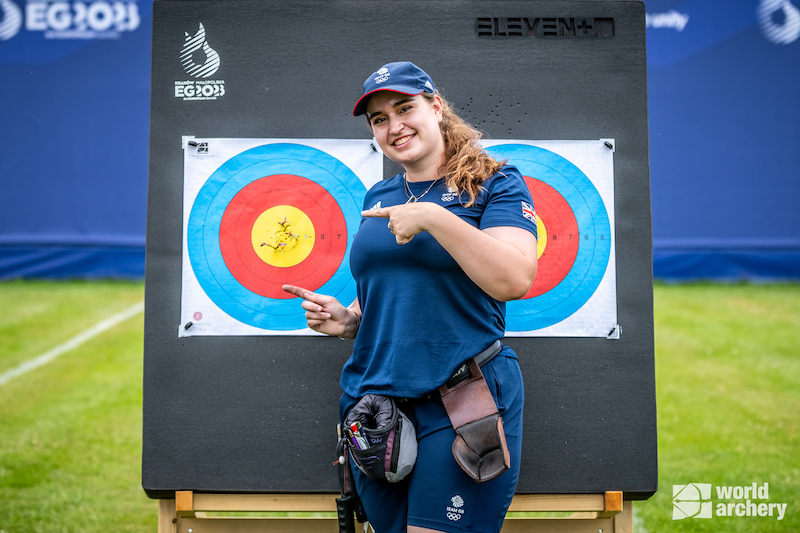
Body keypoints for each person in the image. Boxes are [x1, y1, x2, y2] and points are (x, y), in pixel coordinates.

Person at [283, 61, 538, 533]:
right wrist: (350, 318)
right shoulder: (379, 194)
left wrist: (435, 218)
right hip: (378, 406)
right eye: (379, 119)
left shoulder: (495, 183)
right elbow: (401, 291)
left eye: (405, 108)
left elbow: (515, 279)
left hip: (462, 397)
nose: (394, 126)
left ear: (436, 107)